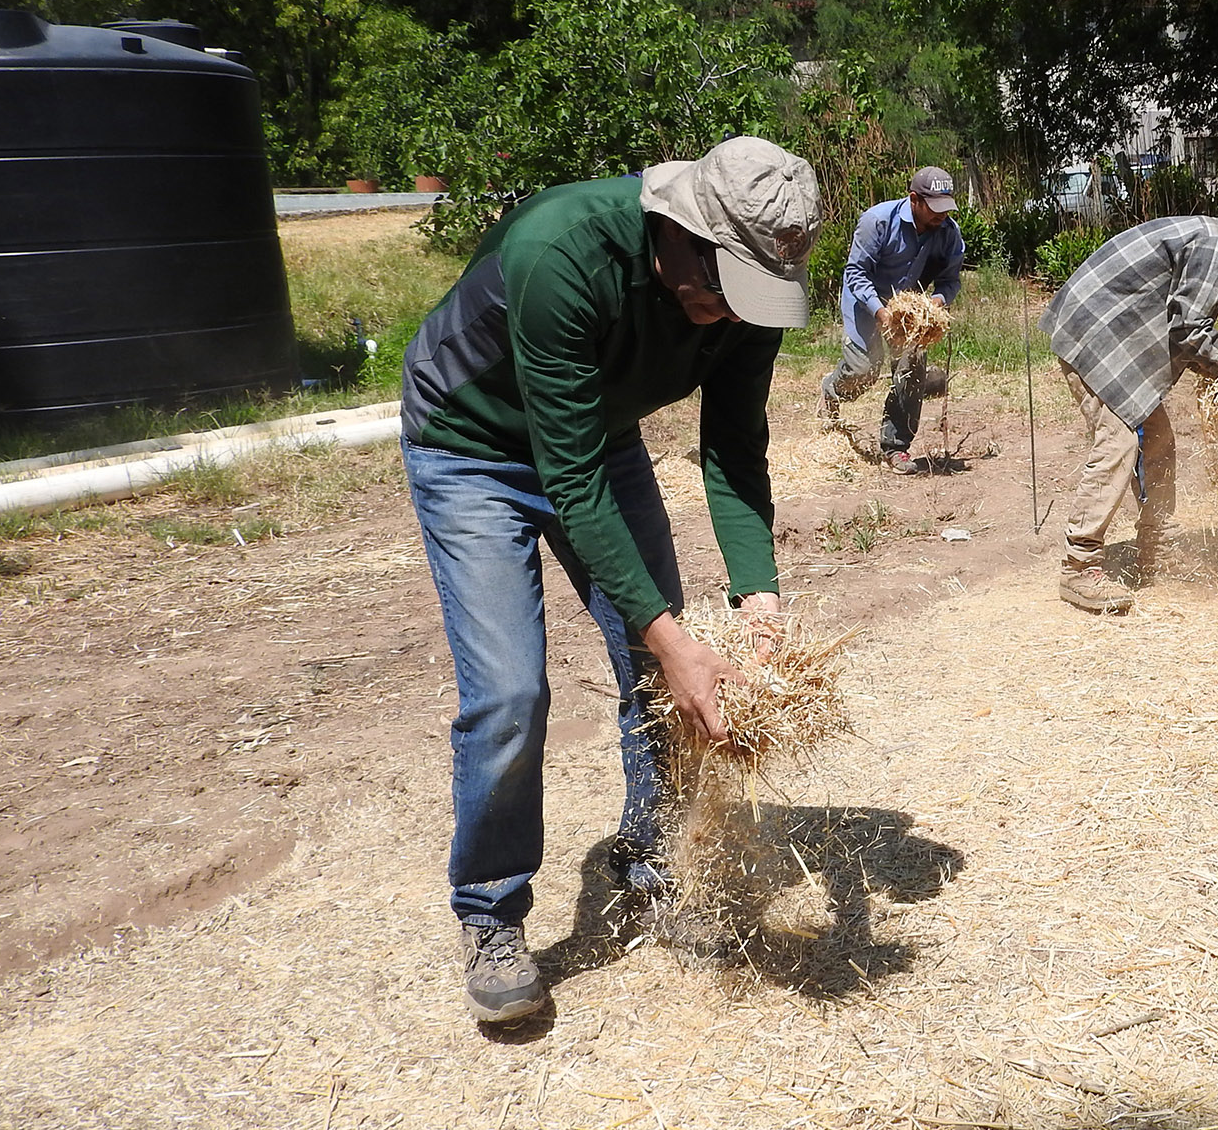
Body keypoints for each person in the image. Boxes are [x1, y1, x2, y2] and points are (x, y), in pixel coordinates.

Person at [399, 136, 819, 1025]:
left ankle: (654, 854)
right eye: (723, 287)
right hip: (472, 446)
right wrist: (672, 638)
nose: (732, 312)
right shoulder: (560, 251)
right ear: (680, 233)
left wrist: (760, 595)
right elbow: (570, 476)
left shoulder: (749, 295)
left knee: (655, 683)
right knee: (512, 693)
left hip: (598, 436)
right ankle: (492, 912)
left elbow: (734, 447)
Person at [1040, 197, 1218, 613]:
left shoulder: (1210, 236)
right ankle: (1079, 565)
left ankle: (1155, 549)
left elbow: (1183, 326)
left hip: (1104, 332)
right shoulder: (1217, 243)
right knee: (1120, 442)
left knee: (1158, 440)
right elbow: (1190, 331)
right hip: (1092, 335)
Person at [818, 165, 966, 473]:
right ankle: (831, 390)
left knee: (912, 371)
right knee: (864, 370)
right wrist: (882, 312)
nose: (942, 215)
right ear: (914, 199)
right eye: (934, 208)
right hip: (867, 301)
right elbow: (856, 274)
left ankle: (895, 447)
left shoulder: (948, 233)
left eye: (946, 207)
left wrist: (933, 304)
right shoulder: (878, 221)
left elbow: (951, 281)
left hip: (910, 311)